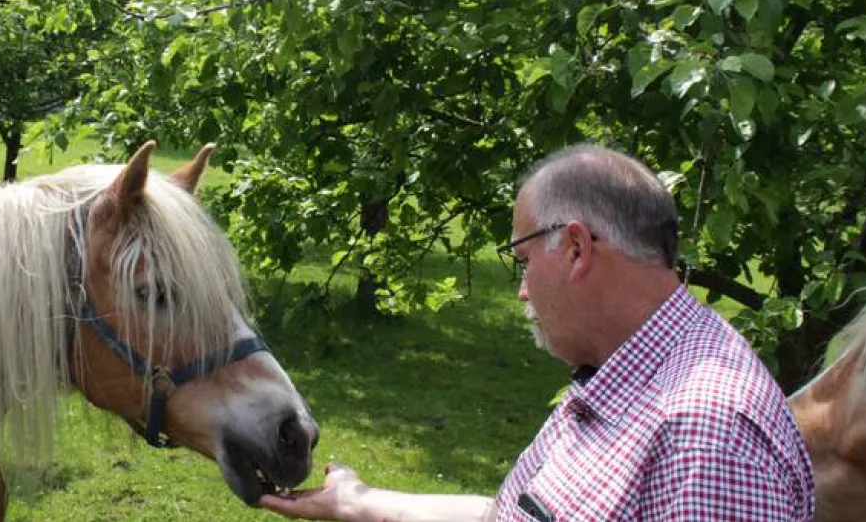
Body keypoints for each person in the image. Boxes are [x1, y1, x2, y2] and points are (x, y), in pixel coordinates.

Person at [259, 143, 815, 521]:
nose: (522, 291)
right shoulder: (632, 378)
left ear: (575, 248)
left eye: (523, 262)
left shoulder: (706, 436)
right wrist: (359, 502)